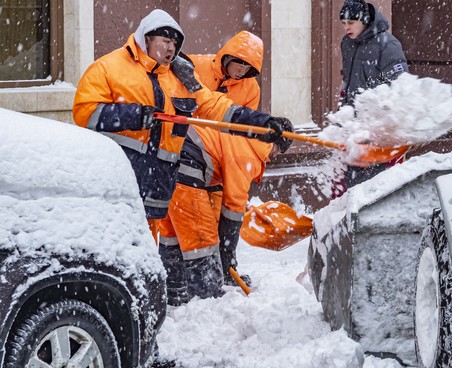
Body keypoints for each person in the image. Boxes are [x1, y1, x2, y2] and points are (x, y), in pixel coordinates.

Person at [72, 10, 288, 239]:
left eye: (174, 43)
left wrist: (262, 122)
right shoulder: (109, 67)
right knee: (118, 246)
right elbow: (85, 113)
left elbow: (215, 107)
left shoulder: (179, 77)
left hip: (157, 185)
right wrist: (135, 115)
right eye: (165, 41)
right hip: (119, 180)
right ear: (146, 38)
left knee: (148, 251)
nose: (170, 49)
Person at [157, 31, 294, 304]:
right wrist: (226, 251)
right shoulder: (195, 67)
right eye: (239, 62)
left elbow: (235, 126)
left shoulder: (248, 95)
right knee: (201, 236)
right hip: (186, 154)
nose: (242, 70)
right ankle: (206, 298)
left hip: (180, 159)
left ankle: (175, 287)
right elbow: (234, 208)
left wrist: (227, 257)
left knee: (175, 227)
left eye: (249, 67)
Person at [337, 0, 409, 192]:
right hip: (354, 128)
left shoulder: (388, 45)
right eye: (343, 23)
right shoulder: (347, 43)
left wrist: (381, 125)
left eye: (351, 22)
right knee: (351, 186)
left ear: (365, 20)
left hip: (379, 132)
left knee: (375, 188)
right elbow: (349, 82)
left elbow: (400, 87)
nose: (346, 27)